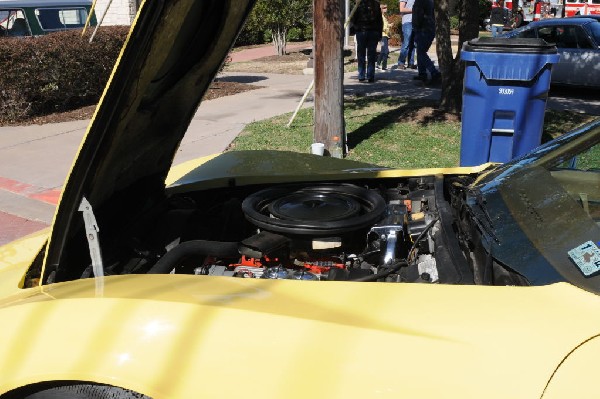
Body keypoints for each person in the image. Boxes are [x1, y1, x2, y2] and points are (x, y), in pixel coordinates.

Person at [350, 0, 383, 82]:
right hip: (373, 31)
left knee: (361, 54)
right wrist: (379, 34)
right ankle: (370, 76)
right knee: (371, 54)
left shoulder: (358, 4)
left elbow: (353, 18)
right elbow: (379, 20)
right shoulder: (376, 4)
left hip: (361, 31)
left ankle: (361, 75)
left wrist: (354, 28)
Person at [412, 0, 441, 84]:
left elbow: (418, 15)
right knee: (420, 51)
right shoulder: (430, 1)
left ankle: (434, 72)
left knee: (421, 52)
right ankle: (422, 73)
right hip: (429, 28)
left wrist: (416, 26)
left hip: (423, 29)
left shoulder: (420, 1)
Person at [396, 0, 416, 69]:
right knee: (406, 43)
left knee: (413, 44)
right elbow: (401, 9)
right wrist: (414, 10)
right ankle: (401, 63)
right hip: (407, 22)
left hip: (415, 23)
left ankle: (411, 63)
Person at [376, 3, 392, 70]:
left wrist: (389, 25)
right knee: (386, 51)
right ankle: (384, 66)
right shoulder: (380, 17)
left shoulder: (384, 16)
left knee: (383, 51)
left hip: (385, 36)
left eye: (386, 7)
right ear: (381, 9)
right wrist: (387, 28)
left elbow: (385, 25)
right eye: (384, 8)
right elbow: (381, 27)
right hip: (383, 36)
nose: (386, 9)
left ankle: (378, 64)